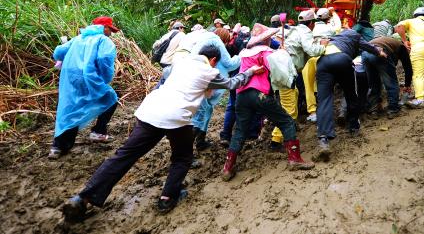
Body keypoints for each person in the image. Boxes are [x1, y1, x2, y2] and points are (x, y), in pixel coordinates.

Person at [62, 45, 264, 221]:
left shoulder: (180, 63)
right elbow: (231, 83)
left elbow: (167, 81)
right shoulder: (209, 71)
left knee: (124, 155)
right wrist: (252, 71)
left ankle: (83, 198)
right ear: (213, 60)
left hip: (150, 110)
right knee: (182, 157)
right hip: (176, 117)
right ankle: (167, 197)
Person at [221, 23, 314, 181]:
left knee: (240, 131)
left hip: (242, 96)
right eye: (269, 38)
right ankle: (294, 159)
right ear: (265, 40)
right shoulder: (266, 52)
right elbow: (280, 71)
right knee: (286, 122)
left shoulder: (244, 53)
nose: (271, 40)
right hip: (259, 94)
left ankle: (228, 168)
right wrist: (283, 54)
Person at [49, 16, 121, 159]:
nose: (110, 33)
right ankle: (98, 132)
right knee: (110, 98)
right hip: (89, 77)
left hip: (70, 79)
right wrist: (105, 78)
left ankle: (57, 147)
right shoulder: (104, 40)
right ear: (104, 28)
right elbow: (104, 60)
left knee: (70, 108)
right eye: (110, 29)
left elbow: (57, 53)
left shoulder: (78, 38)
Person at [315, 28, 387, 161]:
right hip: (342, 59)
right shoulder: (354, 35)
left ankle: (324, 139)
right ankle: (353, 127)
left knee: (324, 100)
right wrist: (380, 52)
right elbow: (368, 47)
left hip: (322, 63)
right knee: (351, 93)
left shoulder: (334, 38)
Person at [270, 10, 328, 150]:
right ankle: (277, 141)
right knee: (289, 109)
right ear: (312, 23)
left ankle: (279, 137)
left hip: (282, 71)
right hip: (287, 72)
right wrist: (323, 45)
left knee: (291, 101)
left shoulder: (292, 30)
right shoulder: (305, 31)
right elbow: (312, 50)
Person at [189, 28, 241, 150]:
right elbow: (229, 63)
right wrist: (241, 56)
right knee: (200, 114)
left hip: (198, 79)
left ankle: (200, 141)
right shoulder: (216, 40)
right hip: (206, 82)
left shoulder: (202, 39)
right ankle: (186, 152)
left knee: (206, 110)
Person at [302, 8, 339, 122]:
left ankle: (312, 112)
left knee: (309, 85)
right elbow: (338, 27)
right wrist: (334, 13)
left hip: (310, 60)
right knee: (325, 85)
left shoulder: (309, 29)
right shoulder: (329, 28)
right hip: (324, 58)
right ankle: (325, 110)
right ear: (328, 19)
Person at [362, 36, 413, 118]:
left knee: (373, 83)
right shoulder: (402, 47)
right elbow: (408, 68)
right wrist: (407, 85)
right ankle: (393, 110)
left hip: (365, 53)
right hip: (380, 52)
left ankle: (373, 110)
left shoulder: (390, 42)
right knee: (391, 83)